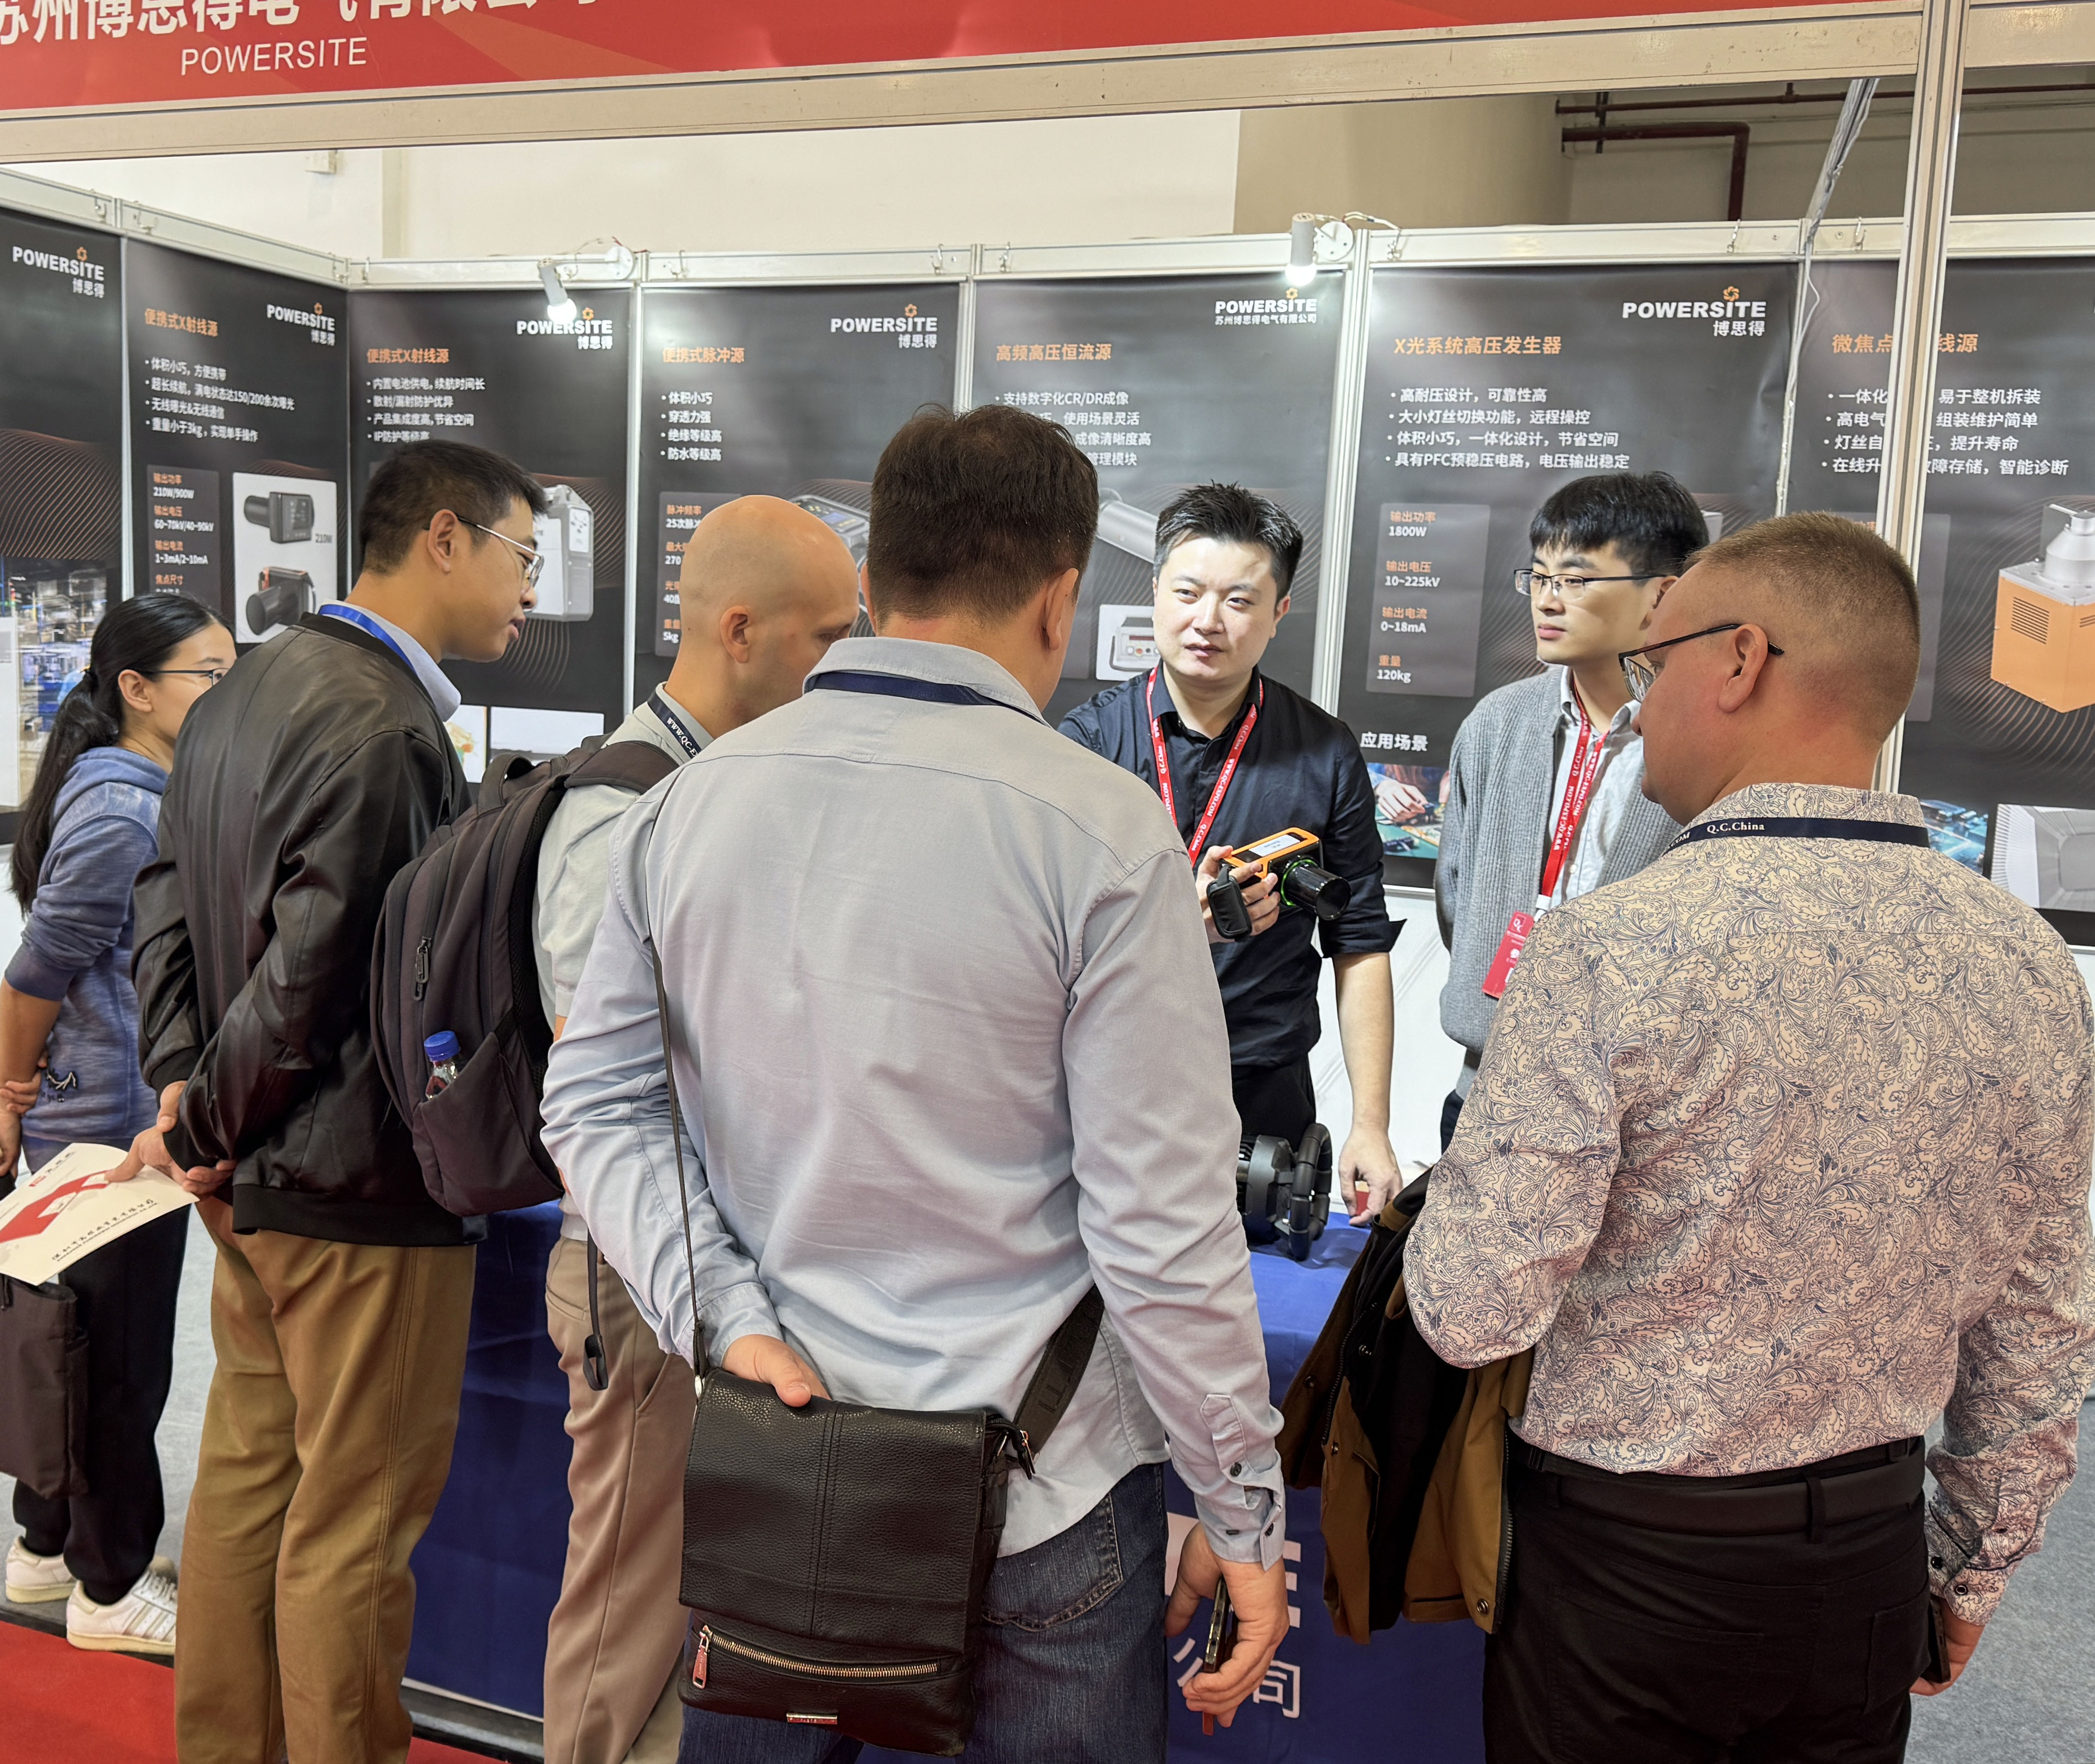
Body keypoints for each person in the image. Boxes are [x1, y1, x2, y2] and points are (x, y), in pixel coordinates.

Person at [542, 405, 1288, 1764]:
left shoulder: (689, 803)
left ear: (874, 579)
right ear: (1061, 600)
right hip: (1045, 1493)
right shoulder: (1105, 835)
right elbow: (1161, 1226)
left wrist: (725, 1320)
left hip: (787, 1453)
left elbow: (594, 1106)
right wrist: (1241, 1507)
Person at [1405, 513, 2094, 1763]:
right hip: (1870, 1556)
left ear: (1740, 660)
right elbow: (2042, 1324)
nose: (1638, 704)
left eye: (1654, 660)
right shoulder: (2030, 961)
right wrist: (1972, 1566)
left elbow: (1471, 1308)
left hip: (1628, 1567)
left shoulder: (1610, 948)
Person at [118, 440, 541, 1764]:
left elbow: (164, 908)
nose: (532, 590)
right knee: (354, 1529)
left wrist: (187, 1098)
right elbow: (317, 977)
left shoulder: (240, 689)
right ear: (446, 539)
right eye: (524, 556)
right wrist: (202, 1119)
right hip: (357, 1193)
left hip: (254, 1182)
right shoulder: (386, 725)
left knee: (250, 1490)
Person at [534, 496, 859, 1764]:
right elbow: (601, 1082)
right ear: (740, 630)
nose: (846, 661)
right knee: (627, 1605)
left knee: (687, 1598)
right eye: (829, 635)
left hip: (719, 1262)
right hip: (642, 1264)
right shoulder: (623, 804)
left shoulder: (727, 786)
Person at [0, 593, 233, 1656]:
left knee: (67, 1345)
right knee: (117, 1364)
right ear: (136, 689)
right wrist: (10, 1093)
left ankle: (46, 1548)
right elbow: (34, 975)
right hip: (114, 1133)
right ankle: (109, 1592)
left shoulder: (132, 790)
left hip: (94, 1118)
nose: (226, 693)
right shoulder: (124, 814)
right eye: (208, 675)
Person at [1061, 483, 1401, 1216]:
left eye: (1240, 601)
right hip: (1109, 1076)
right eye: (1188, 593)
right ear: (1155, 591)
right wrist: (1171, 919)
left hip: (1262, 1082)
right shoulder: (1086, 745)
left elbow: (1360, 944)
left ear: (1280, 613)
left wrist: (1371, 1126)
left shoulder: (1325, 753)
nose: (1207, 621)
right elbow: (1041, 936)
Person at [1432, 470, 1707, 1148]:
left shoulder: (1699, 743)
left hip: (1635, 1116)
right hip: (1486, 1089)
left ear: (1662, 595)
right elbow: (1455, 896)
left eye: (1577, 580)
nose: (1548, 600)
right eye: (1540, 577)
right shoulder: (1497, 724)